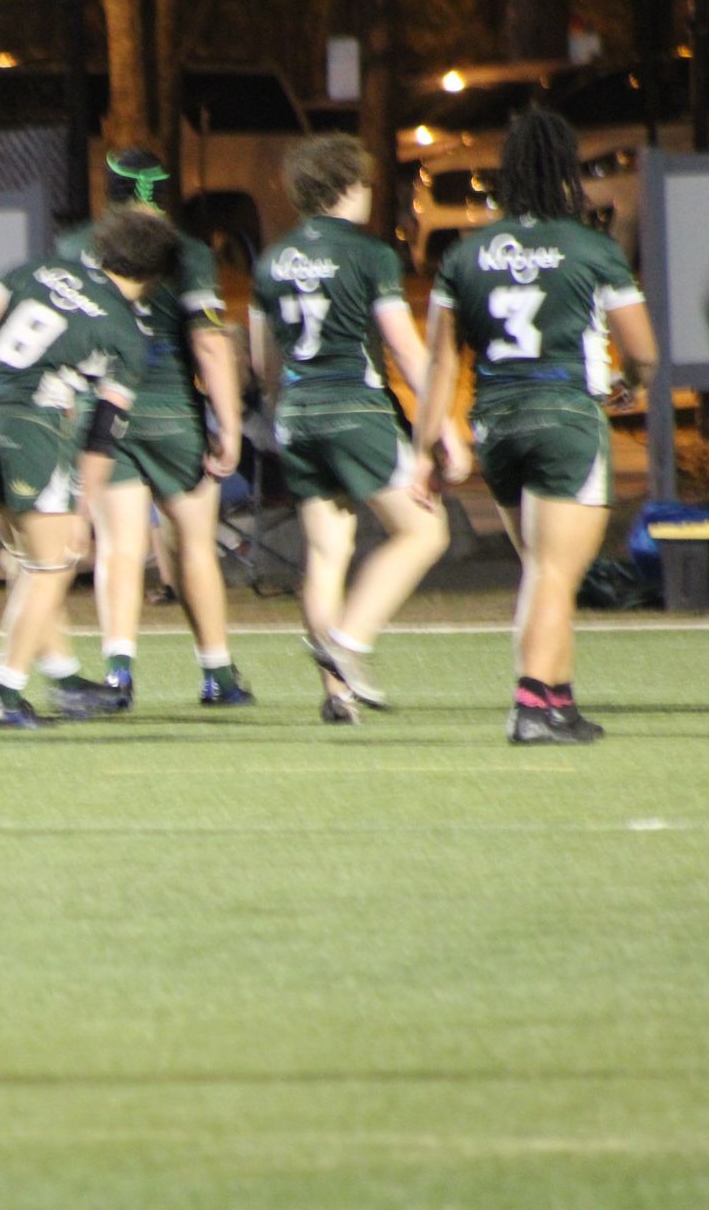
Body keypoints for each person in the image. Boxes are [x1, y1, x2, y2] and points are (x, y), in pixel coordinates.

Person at [419, 109, 657, 744]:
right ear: (564, 171)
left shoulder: (464, 254)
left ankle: (558, 699)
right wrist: (633, 380)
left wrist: (426, 446)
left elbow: (442, 358)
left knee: (544, 570)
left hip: (495, 422)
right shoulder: (592, 248)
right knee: (555, 571)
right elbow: (644, 350)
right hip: (563, 417)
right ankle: (531, 706)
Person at [249, 135, 464, 724]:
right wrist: (443, 426)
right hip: (355, 407)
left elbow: (264, 362)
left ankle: (336, 695)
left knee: (326, 553)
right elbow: (407, 351)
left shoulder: (270, 260)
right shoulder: (371, 256)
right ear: (349, 184)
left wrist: (283, 408)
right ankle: (349, 644)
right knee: (423, 532)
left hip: (296, 413)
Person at [0, 209, 176, 728]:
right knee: (54, 564)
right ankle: (5, 695)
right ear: (155, 277)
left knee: (27, 561)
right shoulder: (128, 334)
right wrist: (83, 510)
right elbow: (102, 432)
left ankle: (65, 678)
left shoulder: (41, 269)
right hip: (32, 428)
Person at [60, 150, 251, 708]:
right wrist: (231, 426)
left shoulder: (76, 247)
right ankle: (217, 675)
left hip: (102, 413)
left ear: (109, 190)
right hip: (171, 412)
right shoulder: (188, 252)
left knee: (119, 546)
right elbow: (210, 343)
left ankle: (118, 674)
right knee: (193, 546)